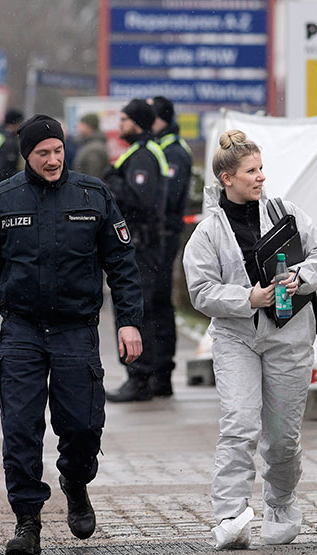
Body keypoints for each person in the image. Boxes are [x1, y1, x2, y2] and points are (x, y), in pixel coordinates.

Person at [0, 114, 144, 555]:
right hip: (21, 330)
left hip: (76, 329)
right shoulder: (4, 199)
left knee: (82, 426)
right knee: (20, 428)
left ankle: (75, 481)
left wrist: (129, 320)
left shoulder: (93, 195)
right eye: (43, 153)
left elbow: (122, 265)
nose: (54, 159)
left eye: (58, 150)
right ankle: (27, 520)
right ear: (28, 156)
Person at [183, 130, 317, 549]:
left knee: (283, 437)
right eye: (251, 171)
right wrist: (246, 298)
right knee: (239, 425)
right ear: (227, 178)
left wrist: (301, 277)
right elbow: (201, 291)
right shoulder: (207, 232)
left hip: (291, 336)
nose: (261, 177)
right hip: (236, 339)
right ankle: (229, 515)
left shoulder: (286, 212)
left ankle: (280, 504)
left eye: (262, 168)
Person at [103, 99, 170, 403]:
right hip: (142, 245)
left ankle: (139, 377)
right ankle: (145, 376)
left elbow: (140, 200)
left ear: (137, 122)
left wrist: (111, 185)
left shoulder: (143, 155)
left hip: (141, 246)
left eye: (124, 119)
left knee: (134, 310)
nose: (120, 125)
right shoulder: (140, 152)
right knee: (144, 310)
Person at [145, 95, 194, 397]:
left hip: (164, 237)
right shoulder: (161, 147)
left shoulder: (173, 151)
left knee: (158, 303)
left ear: (159, 118)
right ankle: (155, 370)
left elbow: (168, 197)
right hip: (158, 236)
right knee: (153, 303)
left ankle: (161, 373)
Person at [72, 113, 109, 179]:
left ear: (88, 126)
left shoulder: (94, 148)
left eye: (81, 125)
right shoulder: (89, 144)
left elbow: (93, 177)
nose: (78, 127)